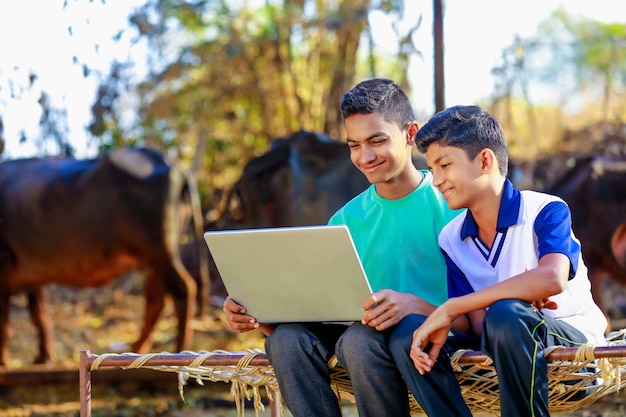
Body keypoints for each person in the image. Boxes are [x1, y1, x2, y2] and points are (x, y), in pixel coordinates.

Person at [222, 78, 468, 417]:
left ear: (411, 134)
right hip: (358, 334)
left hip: (435, 334)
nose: (365, 157)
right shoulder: (345, 219)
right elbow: (323, 309)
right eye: (354, 145)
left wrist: (413, 306)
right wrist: (257, 314)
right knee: (285, 342)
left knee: (358, 341)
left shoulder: (451, 202)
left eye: (377, 141)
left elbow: (479, 299)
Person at [408, 105, 607, 417]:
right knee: (409, 331)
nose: (436, 180)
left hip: (575, 357)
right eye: (432, 170)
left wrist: (459, 306)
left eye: (445, 165)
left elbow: (552, 277)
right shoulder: (451, 237)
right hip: (502, 353)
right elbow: (477, 324)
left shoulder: (545, 209)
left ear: (485, 161)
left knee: (506, 314)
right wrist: (429, 311)